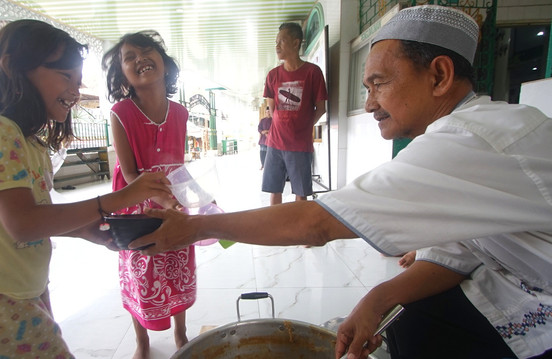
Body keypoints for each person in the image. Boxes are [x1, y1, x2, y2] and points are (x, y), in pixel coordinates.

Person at [129, 5, 552, 359]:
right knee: (406, 325)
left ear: (439, 76)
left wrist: (198, 228)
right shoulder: (469, 131)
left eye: (378, 84)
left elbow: (317, 222)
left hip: (537, 304)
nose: (368, 104)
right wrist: (378, 299)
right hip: (509, 285)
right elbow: (454, 255)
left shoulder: (471, 139)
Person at [0, 20, 172, 359]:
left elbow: (31, 218)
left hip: (20, 286)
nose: (76, 91)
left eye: (78, 81)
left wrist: (81, 230)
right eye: (66, 77)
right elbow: (23, 222)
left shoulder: (27, 141)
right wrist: (119, 198)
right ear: (13, 68)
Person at [101, 30, 195, 359]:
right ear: (123, 75)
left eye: (147, 51)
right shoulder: (120, 112)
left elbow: (177, 165)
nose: (140, 59)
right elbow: (129, 174)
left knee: (178, 260)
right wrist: (160, 199)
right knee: (141, 271)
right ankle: (142, 340)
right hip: (134, 203)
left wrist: (193, 198)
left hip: (171, 197)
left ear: (165, 65)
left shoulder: (181, 113)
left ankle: (181, 333)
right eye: (130, 57)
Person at [262, 22, 327, 205]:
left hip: (300, 144)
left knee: (301, 192)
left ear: (296, 43)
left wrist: (303, 126)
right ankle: (275, 227)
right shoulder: (273, 75)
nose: (277, 46)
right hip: (275, 143)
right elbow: (272, 109)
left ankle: (297, 229)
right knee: (274, 190)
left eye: (281, 41)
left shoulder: (313, 72)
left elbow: (321, 108)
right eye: (276, 42)